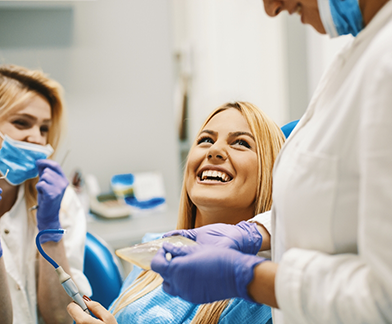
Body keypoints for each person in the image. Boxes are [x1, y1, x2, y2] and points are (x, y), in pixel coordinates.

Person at [150, 0, 392, 323]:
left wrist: (247, 277)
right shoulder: (362, 52)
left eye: (241, 143)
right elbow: (329, 210)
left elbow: (384, 298)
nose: (271, 8)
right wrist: (256, 233)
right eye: (205, 139)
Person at [67, 101, 285, 323]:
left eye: (240, 143)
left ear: (270, 172)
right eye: (206, 140)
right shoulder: (152, 249)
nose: (215, 150)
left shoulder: (264, 292)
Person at [0, 64, 91, 324]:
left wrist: (50, 230)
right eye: (21, 122)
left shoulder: (61, 201)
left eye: (44, 128)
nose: (36, 138)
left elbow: (61, 318)